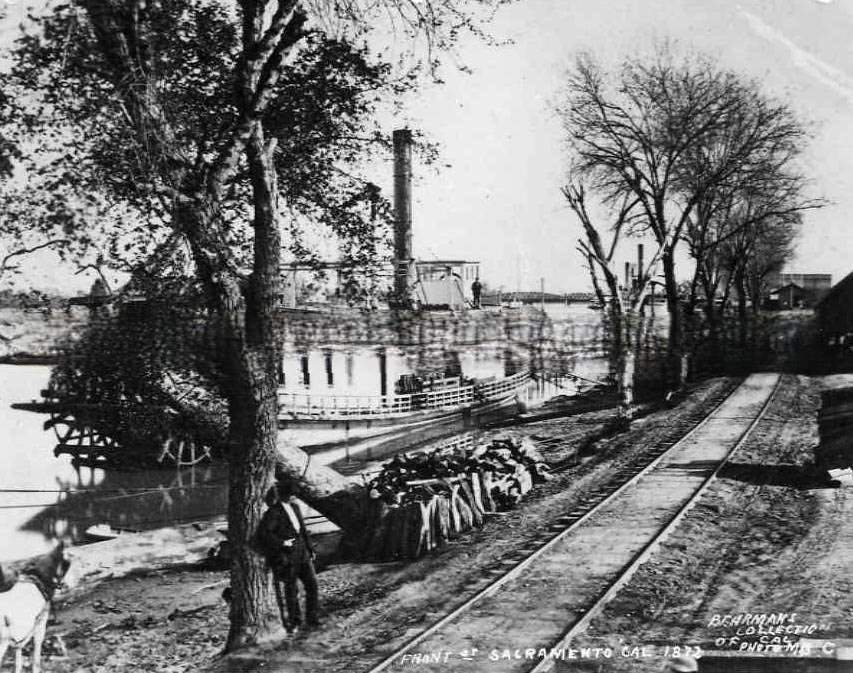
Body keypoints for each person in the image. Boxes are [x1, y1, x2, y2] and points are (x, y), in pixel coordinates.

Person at [256, 481, 319, 632]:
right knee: (291, 590)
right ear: (281, 495)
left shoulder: (295, 507)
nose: (292, 497)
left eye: (293, 495)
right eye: (290, 495)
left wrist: (310, 549)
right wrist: (283, 543)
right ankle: (295, 621)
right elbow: (264, 534)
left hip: (302, 552)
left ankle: (312, 618)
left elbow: (303, 530)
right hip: (288, 556)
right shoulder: (273, 512)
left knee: (312, 585)